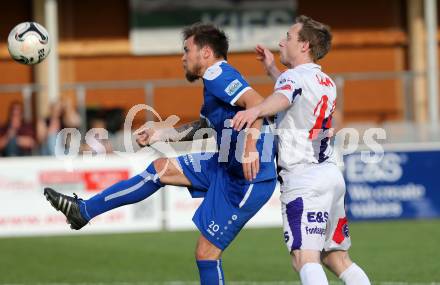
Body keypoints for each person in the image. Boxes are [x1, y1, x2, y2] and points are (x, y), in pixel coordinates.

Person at [43, 23, 277, 284]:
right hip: (225, 163)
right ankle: (83, 210)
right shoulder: (213, 85)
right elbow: (203, 127)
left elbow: (257, 103)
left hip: (247, 176)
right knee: (159, 169)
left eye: (187, 50)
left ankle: (84, 211)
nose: (182, 57)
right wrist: (161, 134)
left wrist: (250, 147)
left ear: (206, 52)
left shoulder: (217, 74)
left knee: (206, 254)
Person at [231, 15, 371, 285]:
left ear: (304, 45)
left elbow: (285, 96)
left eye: (289, 37)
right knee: (336, 258)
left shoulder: (293, 79)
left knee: (303, 258)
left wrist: (256, 110)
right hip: (330, 176)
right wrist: (272, 69)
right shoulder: (325, 81)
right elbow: (295, 91)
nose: (282, 42)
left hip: (304, 180)